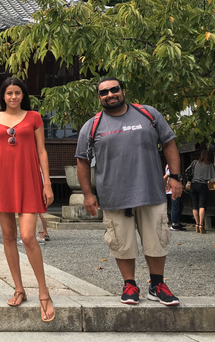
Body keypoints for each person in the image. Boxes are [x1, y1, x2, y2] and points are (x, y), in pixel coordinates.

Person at [75, 77, 182, 307]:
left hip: (150, 189)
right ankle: (129, 284)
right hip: (114, 195)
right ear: (99, 97)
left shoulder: (148, 115)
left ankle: (157, 284)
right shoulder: (92, 126)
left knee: (156, 238)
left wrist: (175, 176)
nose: (110, 95)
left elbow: (169, 143)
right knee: (121, 242)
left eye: (114, 89)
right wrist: (88, 194)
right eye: (104, 92)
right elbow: (82, 161)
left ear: (123, 91)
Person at [0, 77, 55, 322]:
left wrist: (48, 182)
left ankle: (43, 291)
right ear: (3, 96)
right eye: (9, 93)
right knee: (8, 236)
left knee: (28, 236)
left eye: (18, 93)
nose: (13, 97)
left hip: (29, 178)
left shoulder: (34, 117)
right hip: (1, 178)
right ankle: (19, 288)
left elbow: (42, 150)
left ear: (23, 95)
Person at [190, 149, 215, 234]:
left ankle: (196, 224)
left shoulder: (195, 162)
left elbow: (187, 170)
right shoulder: (209, 165)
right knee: (201, 205)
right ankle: (201, 225)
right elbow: (214, 176)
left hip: (193, 184)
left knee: (194, 205)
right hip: (202, 185)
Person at [165, 165, 186, 231]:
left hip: (171, 189)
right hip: (172, 190)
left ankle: (177, 221)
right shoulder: (172, 166)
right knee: (175, 206)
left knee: (180, 205)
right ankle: (175, 224)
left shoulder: (168, 165)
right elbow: (166, 176)